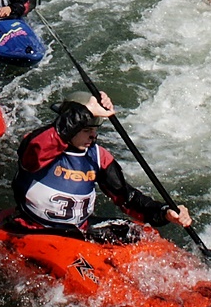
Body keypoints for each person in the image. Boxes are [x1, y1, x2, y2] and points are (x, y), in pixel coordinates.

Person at [12, 90, 192, 236]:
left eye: (95, 129)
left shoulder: (99, 157)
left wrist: (164, 212)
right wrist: (86, 112)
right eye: (86, 130)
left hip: (78, 230)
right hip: (35, 230)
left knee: (140, 233)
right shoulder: (39, 147)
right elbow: (45, 142)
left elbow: (128, 199)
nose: (93, 135)